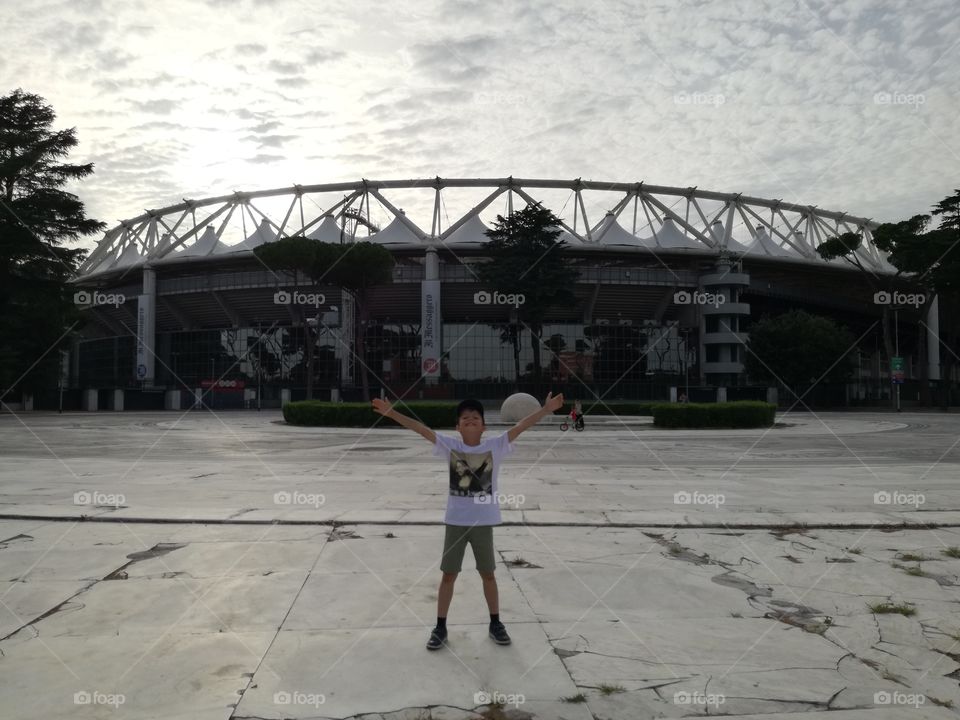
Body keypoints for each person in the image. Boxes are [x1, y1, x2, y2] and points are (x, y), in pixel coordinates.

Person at [371, 393, 564, 651]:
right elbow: (421, 429)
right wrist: (392, 413)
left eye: (475, 417)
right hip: (456, 522)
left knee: (488, 574)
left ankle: (495, 623)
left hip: (483, 524)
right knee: (448, 575)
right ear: (457, 427)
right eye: (465, 418)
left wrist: (546, 409)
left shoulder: (495, 446)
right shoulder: (451, 446)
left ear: (483, 426)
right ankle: (440, 626)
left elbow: (520, 426)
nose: (470, 420)